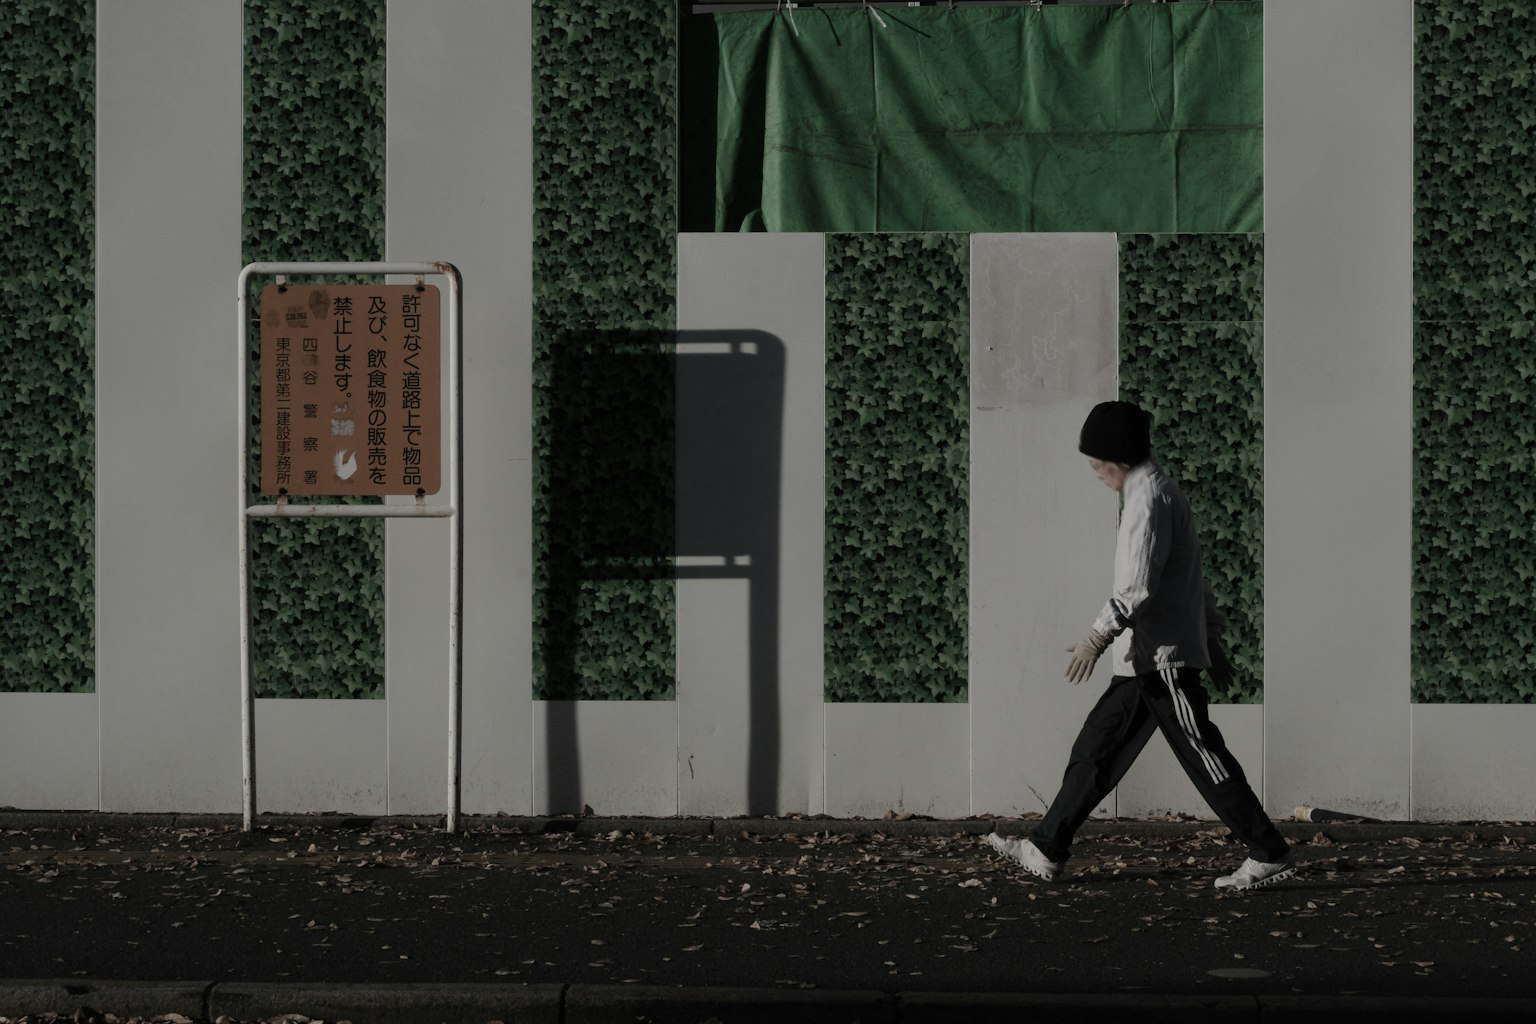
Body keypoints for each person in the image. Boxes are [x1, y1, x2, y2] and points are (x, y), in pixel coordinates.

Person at [986, 400, 1294, 891]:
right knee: (1095, 752)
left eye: (1095, 464)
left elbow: (1139, 588)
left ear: (1117, 458)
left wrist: (1095, 636)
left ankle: (1269, 851)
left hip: (1162, 662)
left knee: (1203, 755)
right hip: (1144, 661)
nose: (1094, 474)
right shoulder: (1158, 492)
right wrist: (1211, 639)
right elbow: (1193, 579)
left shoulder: (1148, 500)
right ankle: (1046, 847)